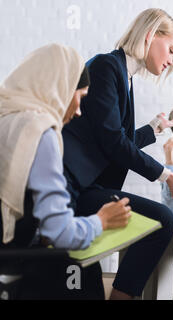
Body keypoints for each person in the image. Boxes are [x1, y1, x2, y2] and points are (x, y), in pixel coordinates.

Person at [61, 9, 173, 300]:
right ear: (150, 35)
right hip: (71, 190)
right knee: (162, 220)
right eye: (171, 50)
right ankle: (123, 296)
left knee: (89, 285)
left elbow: (114, 140)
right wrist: (165, 174)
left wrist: (155, 127)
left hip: (87, 187)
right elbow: (113, 142)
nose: (171, 60)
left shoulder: (124, 74)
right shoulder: (106, 67)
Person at [0, 44, 131, 299]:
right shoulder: (40, 131)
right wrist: (101, 221)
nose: (79, 110)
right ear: (59, 89)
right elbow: (60, 234)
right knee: (85, 270)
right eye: (80, 96)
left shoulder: (7, 118)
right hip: (14, 259)